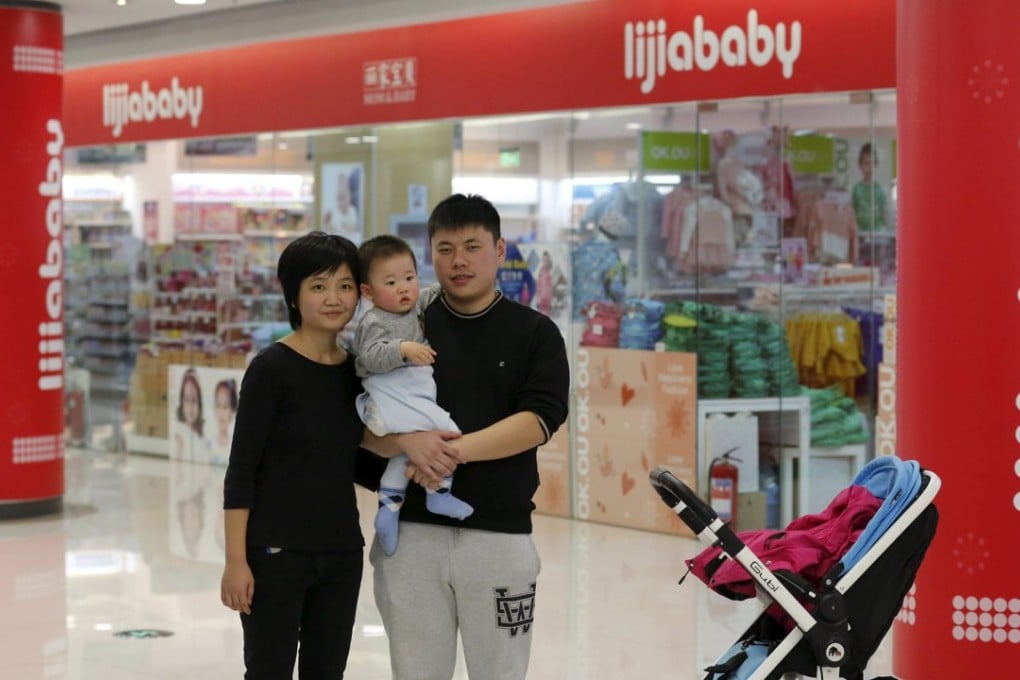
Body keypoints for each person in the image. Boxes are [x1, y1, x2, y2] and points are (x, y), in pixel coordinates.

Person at [362, 194, 570, 680]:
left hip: (498, 537)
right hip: (409, 537)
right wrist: (408, 445)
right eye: (445, 248)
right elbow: (358, 422)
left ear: (500, 250)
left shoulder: (534, 333)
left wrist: (449, 453)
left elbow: (541, 417)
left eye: (473, 246)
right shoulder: (402, 328)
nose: (458, 261)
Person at [220, 231, 368, 680]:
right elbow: (241, 470)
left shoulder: (358, 368)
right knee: (269, 671)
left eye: (344, 286)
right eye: (318, 286)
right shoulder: (271, 370)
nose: (333, 298)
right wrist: (235, 561)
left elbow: (360, 451)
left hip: (342, 552)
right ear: (294, 295)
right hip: (275, 553)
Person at [354, 235, 473, 556]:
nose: (404, 288)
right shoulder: (373, 320)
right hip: (393, 397)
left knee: (404, 454)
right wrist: (403, 349)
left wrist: (452, 283)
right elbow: (369, 357)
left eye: (409, 278)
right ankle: (439, 491)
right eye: (391, 282)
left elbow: (433, 293)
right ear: (368, 292)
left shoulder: (413, 305)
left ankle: (388, 510)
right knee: (446, 432)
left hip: (411, 396)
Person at [851, 142, 888, 232]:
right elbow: (852, 213)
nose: (870, 168)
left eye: (873, 164)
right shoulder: (857, 189)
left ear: (876, 165)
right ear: (860, 165)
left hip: (878, 231)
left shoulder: (879, 189)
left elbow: (884, 212)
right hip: (860, 232)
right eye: (866, 164)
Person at [174, 367, 205, 460]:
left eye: (194, 400)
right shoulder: (179, 436)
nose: (190, 408)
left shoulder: (202, 432)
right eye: (187, 400)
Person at [212, 378, 238, 452]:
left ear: (232, 410)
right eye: (218, 405)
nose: (221, 412)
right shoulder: (208, 444)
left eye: (225, 407)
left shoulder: (235, 445)